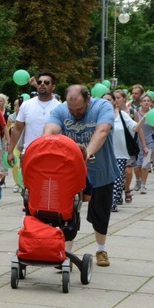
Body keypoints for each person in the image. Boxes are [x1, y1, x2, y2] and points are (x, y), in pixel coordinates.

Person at [44, 85, 116, 267]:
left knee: (100, 214)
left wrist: (87, 153)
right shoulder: (60, 110)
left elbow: (102, 131)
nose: (75, 113)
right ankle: (65, 255)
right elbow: (49, 131)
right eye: (71, 110)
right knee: (67, 214)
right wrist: (45, 146)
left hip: (101, 171)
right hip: (70, 174)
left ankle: (101, 250)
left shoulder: (102, 107)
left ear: (88, 100)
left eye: (80, 109)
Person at [7, 72, 61, 168]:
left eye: (46, 82)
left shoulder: (60, 107)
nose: (42, 84)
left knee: (49, 183)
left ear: (53, 87)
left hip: (53, 154)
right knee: (28, 183)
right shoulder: (26, 105)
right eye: (39, 82)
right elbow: (17, 129)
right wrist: (10, 151)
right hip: (29, 153)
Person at [104, 91, 140, 211]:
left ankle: (112, 203)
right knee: (106, 179)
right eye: (104, 100)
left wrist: (145, 118)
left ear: (114, 101)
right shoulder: (98, 115)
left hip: (120, 153)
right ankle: (112, 200)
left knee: (117, 180)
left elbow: (135, 128)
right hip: (104, 153)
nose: (106, 102)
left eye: (109, 99)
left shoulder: (122, 115)